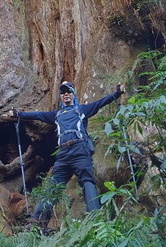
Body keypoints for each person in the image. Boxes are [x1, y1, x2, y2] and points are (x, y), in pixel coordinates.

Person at [9, 80, 125, 226]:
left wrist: (117, 93)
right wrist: (18, 114)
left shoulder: (82, 110)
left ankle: (96, 220)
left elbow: (101, 102)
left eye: (68, 91)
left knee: (87, 181)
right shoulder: (57, 114)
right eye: (63, 93)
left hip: (79, 150)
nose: (66, 95)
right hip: (63, 154)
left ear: (73, 94)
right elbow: (38, 115)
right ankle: (37, 223)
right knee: (54, 185)